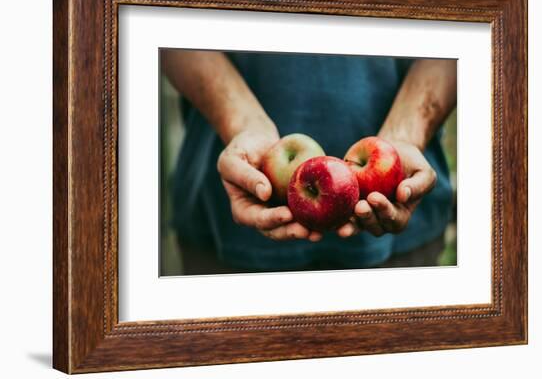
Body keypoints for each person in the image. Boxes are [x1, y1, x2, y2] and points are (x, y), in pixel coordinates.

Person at [161, 50, 456, 273]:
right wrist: (241, 124)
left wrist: (406, 133)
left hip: (404, 245)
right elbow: (170, 28)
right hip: (221, 230)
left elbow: (457, 33)